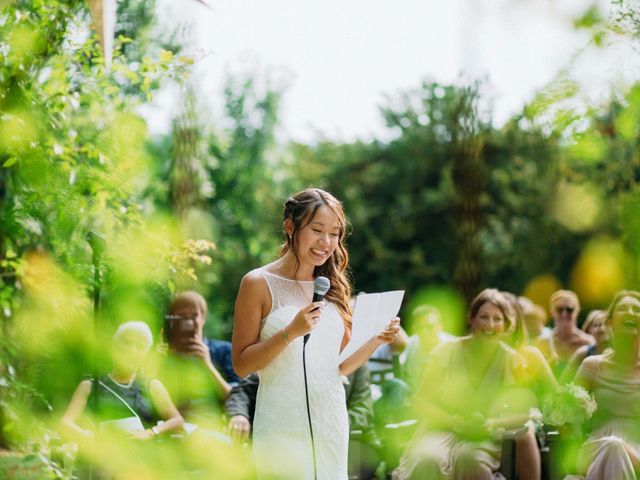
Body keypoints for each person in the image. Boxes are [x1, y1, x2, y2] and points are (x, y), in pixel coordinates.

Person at [231, 188, 400, 479]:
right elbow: (242, 364)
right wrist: (291, 332)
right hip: (281, 425)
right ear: (290, 226)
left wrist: (376, 339)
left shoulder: (333, 288)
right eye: (317, 230)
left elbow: (341, 366)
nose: (326, 242)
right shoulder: (257, 283)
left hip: (331, 422)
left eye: (334, 234)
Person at [393, 289, 535, 480]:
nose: (490, 325)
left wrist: (491, 424)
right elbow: (421, 402)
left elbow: (523, 413)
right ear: (472, 319)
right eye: (484, 317)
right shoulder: (446, 350)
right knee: (427, 459)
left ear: (505, 323)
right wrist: (453, 422)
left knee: (470, 462)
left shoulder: (512, 359)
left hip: (484, 434)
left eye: (497, 318)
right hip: (440, 428)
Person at [225, 365, 382, 478]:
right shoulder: (286, 356)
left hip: (338, 445)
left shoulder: (357, 365)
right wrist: (239, 414)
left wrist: (324, 425)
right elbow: (243, 390)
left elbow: (362, 412)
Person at [60, 321, 183, 443]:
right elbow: (65, 423)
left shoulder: (152, 386)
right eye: (126, 342)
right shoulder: (89, 386)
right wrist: (89, 436)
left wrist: (151, 432)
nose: (132, 350)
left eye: (140, 346)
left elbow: (177, 421)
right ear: (114, 347)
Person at [568, 290, 640, 480]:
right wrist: (569, 411)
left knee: (616, 448)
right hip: (596, 447)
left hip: (637, 451)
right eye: (623, 308)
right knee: (613, 446)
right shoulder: (592, 365)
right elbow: (567, 412)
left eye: (637, 309)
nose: (631, 313)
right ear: (610, 322)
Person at [160, 291, 237, 433]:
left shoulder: (223, 351)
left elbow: (237, 399)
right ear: (173, 320)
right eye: (182, 317)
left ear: (203, 318)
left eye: (194, 315)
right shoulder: (164, 356)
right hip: (172, 432)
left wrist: (208, 366)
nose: (188, 322)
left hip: (211, 431)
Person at [534, 290, 594, 377]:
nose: (564, 314)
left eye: (569, 310)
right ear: (552, 312)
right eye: (559, 310)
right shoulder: (542, 343)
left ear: (577, 311)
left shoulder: (588, 342)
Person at [561, 309, 611, 384]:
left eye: (606, 324)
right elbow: (563, 383)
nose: (602, 328)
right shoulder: (582, 353)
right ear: (590, 330)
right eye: (596, 325)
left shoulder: (622, 352)